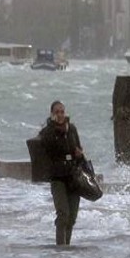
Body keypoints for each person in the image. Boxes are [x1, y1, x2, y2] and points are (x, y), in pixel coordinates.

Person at [39, 100, 84, 246]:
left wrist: (79, 154)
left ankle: (67, 247)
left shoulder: (72, 129)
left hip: (73, 176)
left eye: (62, 111)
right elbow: (49, 147)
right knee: (63, 214)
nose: (60, 115)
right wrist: (54, 127)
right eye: (56, 112)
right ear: (52, 114)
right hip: (57, 177)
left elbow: (79, 149)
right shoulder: (47, 132)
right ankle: (60, 249)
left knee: (71, 218)